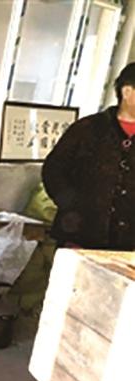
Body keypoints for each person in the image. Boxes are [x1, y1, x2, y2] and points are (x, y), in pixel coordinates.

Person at [42, 62, 135, 250]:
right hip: (81, 234)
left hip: (128, 243)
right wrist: (72, 205)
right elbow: (53, 169)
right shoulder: (88, 128)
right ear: (127, 92)